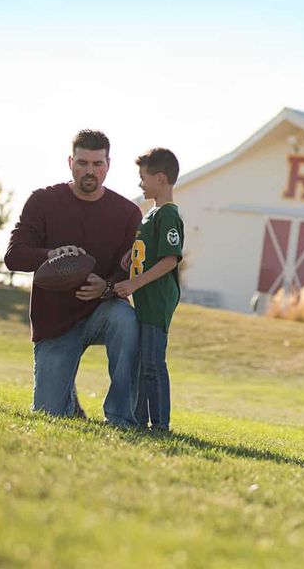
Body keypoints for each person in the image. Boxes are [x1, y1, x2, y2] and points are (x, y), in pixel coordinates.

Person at [4, 129, 142, 426]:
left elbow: (129, 269)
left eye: (96, 164)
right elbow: (13, 256)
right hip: (55, 321)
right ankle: (67, 397)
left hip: (101, 312)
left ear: (108, 164)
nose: (89, 171)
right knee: (49, 414)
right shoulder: (42, 201)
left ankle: (121, 417)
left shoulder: (128, 213)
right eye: (82, 163)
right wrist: (50, 255)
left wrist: (105, 288)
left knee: (127, 320)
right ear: (70, 162)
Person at [115, 148, 184, 431]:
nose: (140, 184)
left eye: (143, 178)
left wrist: (134, 283)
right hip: (144, 300)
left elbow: (169, 260)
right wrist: (132, 255)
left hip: (156, 300)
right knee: (142, 363)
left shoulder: (168, 215)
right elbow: (149, 250)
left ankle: (160, 424)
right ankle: (139, 419)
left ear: (160, 178)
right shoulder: (151, 214)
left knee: (153, 364)